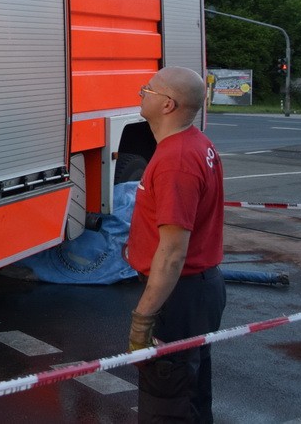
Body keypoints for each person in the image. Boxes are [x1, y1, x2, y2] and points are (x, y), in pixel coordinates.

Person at [126, 66, 226, 423]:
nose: (141, 92)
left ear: (167, 104)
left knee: (167, 403)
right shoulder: (196, 143)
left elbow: (171, 255)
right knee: (191, 394)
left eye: (148, 89)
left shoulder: (175, 161)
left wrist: (143, 318)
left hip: (179, 297)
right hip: (196, 292)